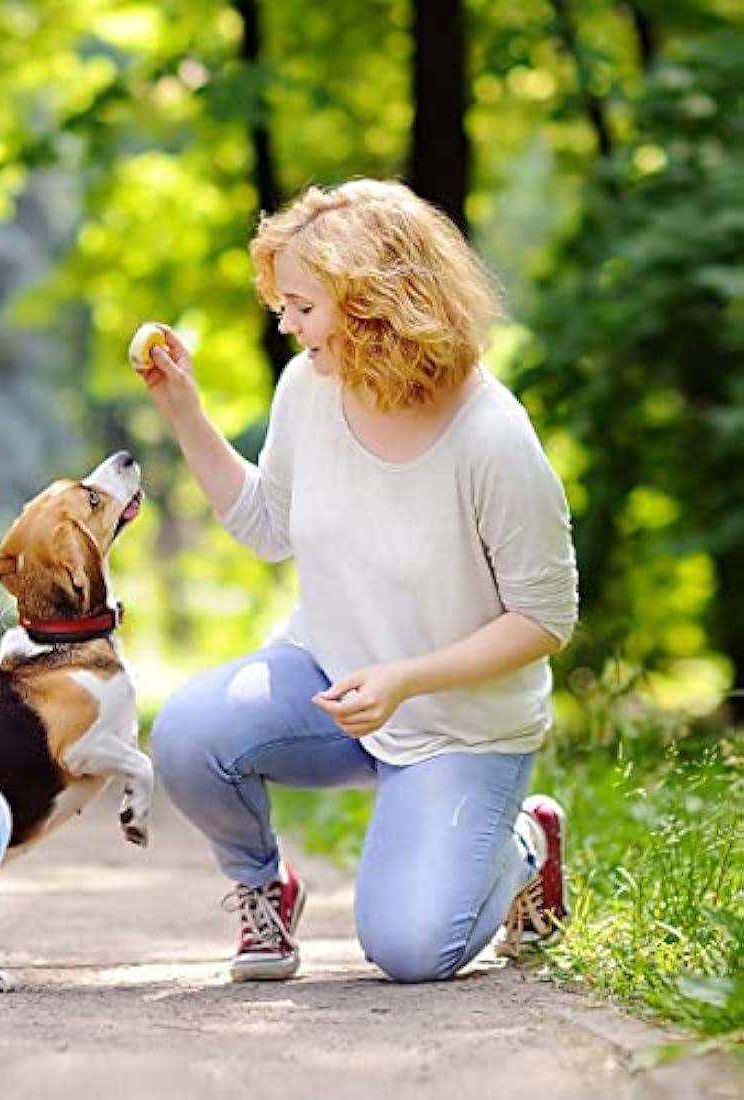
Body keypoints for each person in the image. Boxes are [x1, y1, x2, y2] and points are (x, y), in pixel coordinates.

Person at [131, 178, 578, 984]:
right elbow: (268, 526)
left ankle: (524, 844)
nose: (286, 324)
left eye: (302, 305)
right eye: (282, 304)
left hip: (458, 722)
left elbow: (545, 618)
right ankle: (264, 891)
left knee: (411, 952)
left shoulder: (493, 438)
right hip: (332, 683)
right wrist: (186, 414)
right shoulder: (310, 387)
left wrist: (408, 680)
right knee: (191, 735)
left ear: (375, 303)